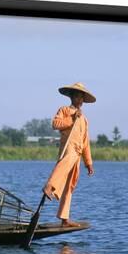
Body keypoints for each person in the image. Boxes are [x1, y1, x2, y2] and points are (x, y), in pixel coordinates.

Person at [42, 82, 95, 228]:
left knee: (70, 185)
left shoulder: (84, 119)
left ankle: (64, 218)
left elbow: (85, 142)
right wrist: (71, 118)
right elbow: (55, 124)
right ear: (71, 97)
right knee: (63, 165)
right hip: (68, 148)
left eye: (82, 97)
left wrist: (88, 162)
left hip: (78, 152)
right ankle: (49, 186)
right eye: (77, 96)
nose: (80, 100)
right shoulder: (64, 110)